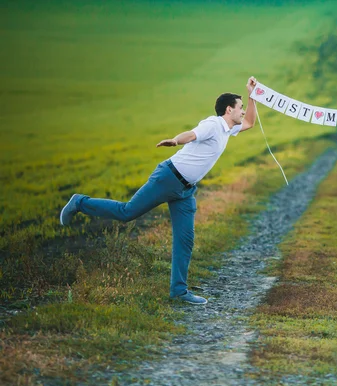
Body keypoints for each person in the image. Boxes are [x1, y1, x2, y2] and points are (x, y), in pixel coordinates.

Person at [59, 77, 258, 305]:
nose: (242, 112)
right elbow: (192, 135)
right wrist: (175, 140)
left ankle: (179, 292)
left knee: (185, 240)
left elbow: (251, 123)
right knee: (127, 213)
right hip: (167, 179)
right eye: (240, 107)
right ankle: (79, 202)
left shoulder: (228, 130)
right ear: (228, 109)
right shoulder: (213, 124)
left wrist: (252, 95)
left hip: (185, 191)